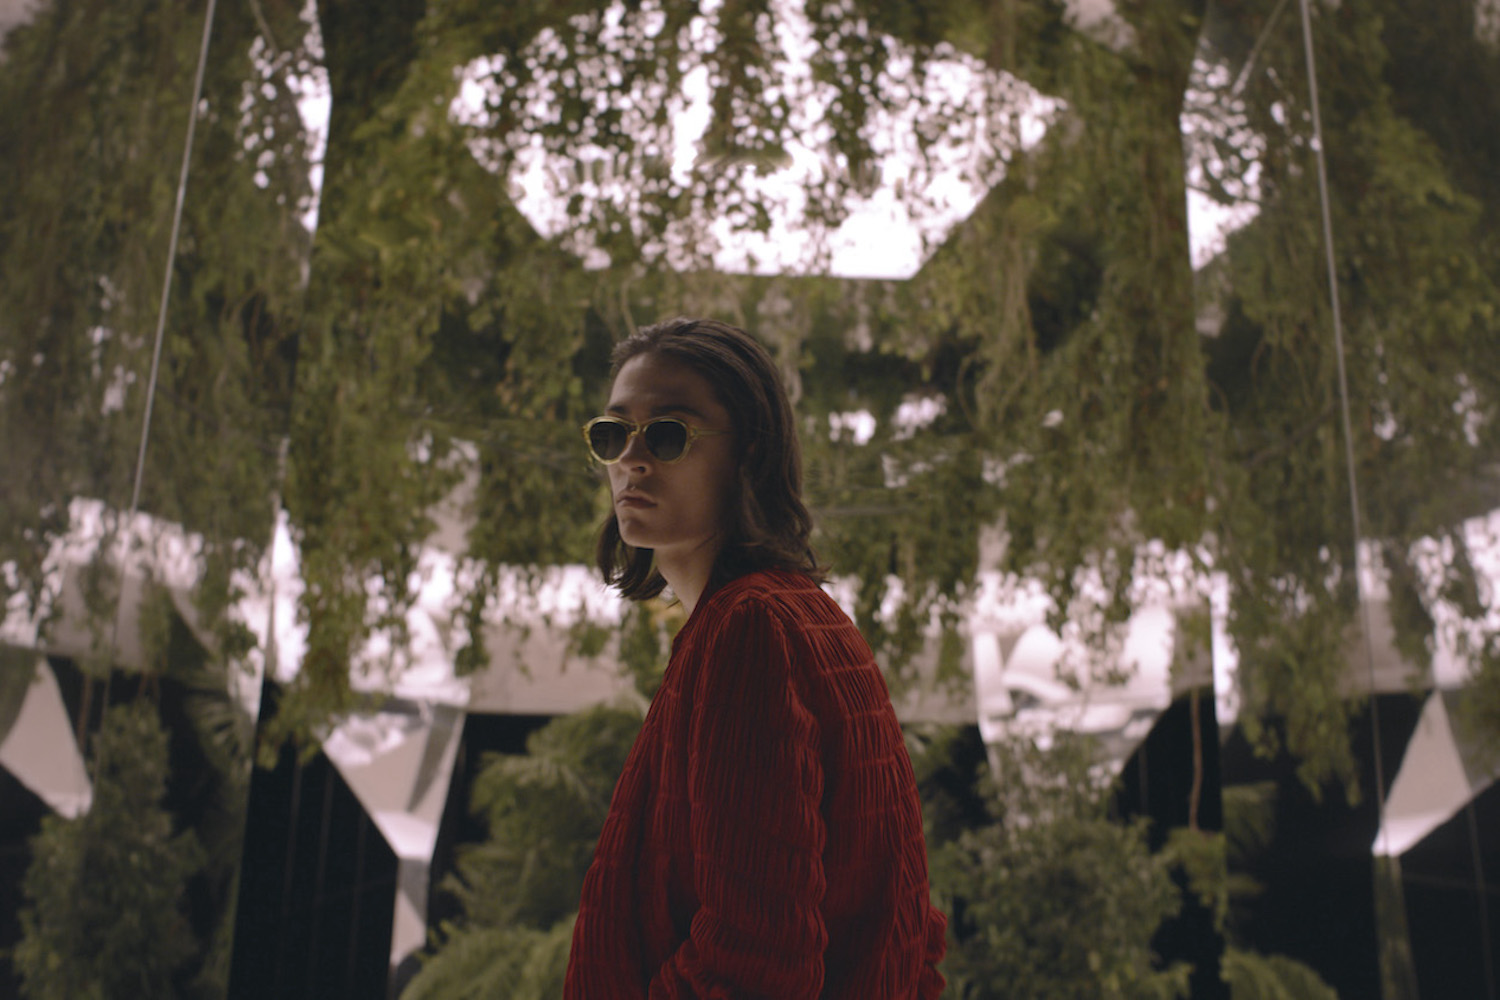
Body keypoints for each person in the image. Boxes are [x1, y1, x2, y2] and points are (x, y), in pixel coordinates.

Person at [563, 317, 946, 999]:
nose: (633, 459)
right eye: (613, 434)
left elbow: (754, 959)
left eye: (669, 433)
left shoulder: (750, 630)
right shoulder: (801, 617)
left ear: (749, 453)